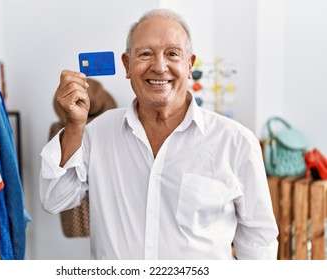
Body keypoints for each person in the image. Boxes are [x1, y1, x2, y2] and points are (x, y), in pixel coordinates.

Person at [39, 8, 278, 260]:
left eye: (172, 54)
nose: (159, 66)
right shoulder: (97, 132)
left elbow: (258, 240)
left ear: (189, 65)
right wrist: (75, 125)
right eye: (145, 54)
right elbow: (54, 199)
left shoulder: (236, 142)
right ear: (127, 65)